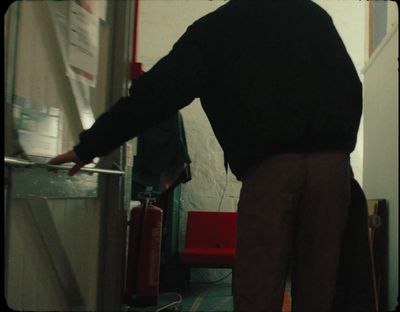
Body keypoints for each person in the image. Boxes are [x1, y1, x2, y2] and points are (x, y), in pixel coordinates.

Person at [49, 0, 362, 311]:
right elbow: (352, 86)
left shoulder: (219, 26)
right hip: (332, 168)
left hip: (271, 170)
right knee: (320, 292)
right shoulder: (313, 15)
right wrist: (339, 148)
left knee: (258, 290)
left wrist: (89, 146)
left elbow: (157, 94)